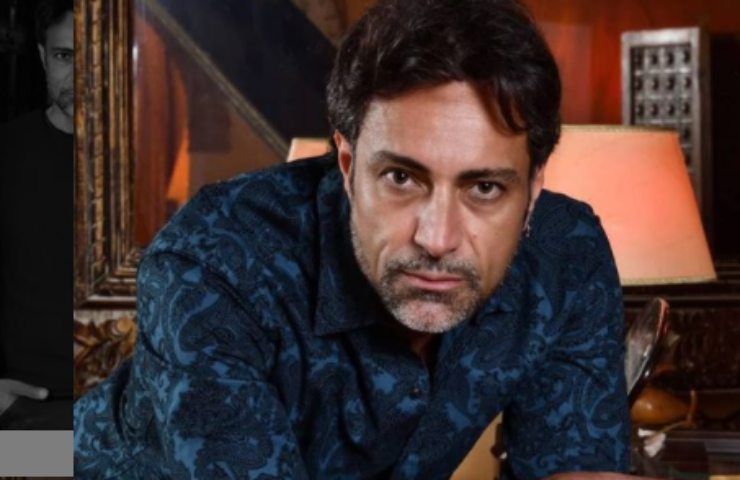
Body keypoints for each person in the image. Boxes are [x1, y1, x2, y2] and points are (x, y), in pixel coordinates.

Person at [74, 0, 630, 477]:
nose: (437, 239)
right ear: (347, 163)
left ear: (533, 189)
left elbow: (576, 469)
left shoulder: (565, 254)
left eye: (484, 187)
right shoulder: (214, 260)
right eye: (401, 178)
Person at [0, 0, 74, 430]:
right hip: (31, 409)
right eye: (65, 56)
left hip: (139, 415)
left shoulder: (163, 160)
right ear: (44, 58)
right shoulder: (8, 152)